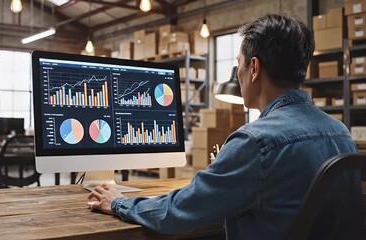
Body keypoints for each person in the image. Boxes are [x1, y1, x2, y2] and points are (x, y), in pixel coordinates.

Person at [88, 13, 363, 239]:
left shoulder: (256, 142)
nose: (239, 74)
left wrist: (118, 202)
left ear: (254, 68)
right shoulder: (340, 133)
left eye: (239, 65)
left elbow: (179, 211)